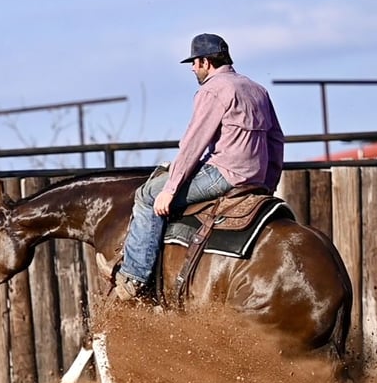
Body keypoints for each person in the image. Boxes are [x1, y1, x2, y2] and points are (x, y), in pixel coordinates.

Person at [102, 32, 285, 302]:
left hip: (224, 173)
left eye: (194, 62)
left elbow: (193, 143)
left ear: (205, 62)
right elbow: (276, 140)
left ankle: (135, 278)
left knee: (147, 195)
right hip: (254, 178)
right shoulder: (257, 90)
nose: (192, 68)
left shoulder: (212, 90)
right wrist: (268, 183)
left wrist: (170, 189)